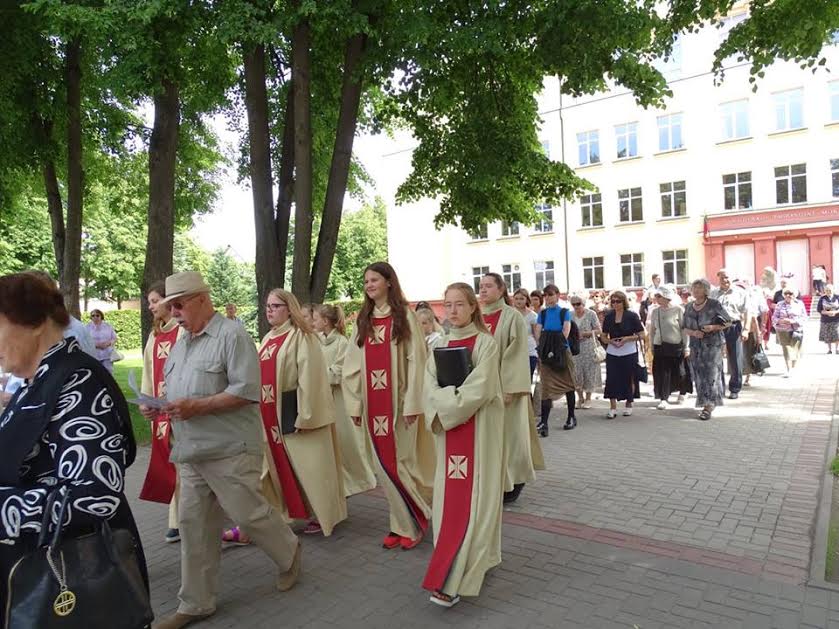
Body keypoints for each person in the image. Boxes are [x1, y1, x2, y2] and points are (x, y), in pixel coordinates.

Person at [144, 272, 301, 629]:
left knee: (249, 516)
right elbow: (178, 392)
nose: (174, 313)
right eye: (171, 307)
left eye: (179, 304)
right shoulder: (182, 342)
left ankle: (289, 552)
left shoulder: (233, 335)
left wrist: (195, 407)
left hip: (229, 448)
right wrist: (160, 406)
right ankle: (195, 604)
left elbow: (246, 391)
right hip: (190, 450)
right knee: (194, 525)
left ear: (201, 299)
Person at [0, 272, 147, 619]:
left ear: (34, 322)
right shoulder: (35, 381)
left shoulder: (79, 383)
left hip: (68, 581)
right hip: (35, 572)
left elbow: (95, 495)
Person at [421, 282, 504, 608]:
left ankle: (461, 574)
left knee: (478, 500)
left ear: (473, 307)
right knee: (450, 501)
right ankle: (468, 558)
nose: (453, 310)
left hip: (479, 433)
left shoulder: (486, 344)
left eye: (459, 304)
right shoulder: (438, 344)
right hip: (450, 436)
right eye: (448, 304)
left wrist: (447, 404)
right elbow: (427, 385)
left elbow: (480, 389)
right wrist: (447, 404)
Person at [343, 262, 434, 551]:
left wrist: (413, 404)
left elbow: (417, 361)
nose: (369, 285)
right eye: (366, 281)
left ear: (389, 283)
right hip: (372, 406)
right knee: (383, 467)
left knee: (399, 464)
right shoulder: (364, 320)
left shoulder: (403, 316)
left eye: (374, 280)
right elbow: (352, 366)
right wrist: (355, 405)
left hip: (399, 405)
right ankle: (401, 523)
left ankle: (417, 518)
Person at [246, 289, 347, 538]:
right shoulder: (269, 338)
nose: (269, 310)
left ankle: (323, 515)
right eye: (267, 305)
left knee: (310, 467)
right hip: (270, 416)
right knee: (275, 468)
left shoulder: (302, 337)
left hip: (294, 412)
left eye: (275, 306)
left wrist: (306, 414)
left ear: (289, 308)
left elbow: (311, 378)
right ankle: (280, 513)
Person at [479, 273, 540, 502]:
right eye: (480, 286)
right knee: (490, 438)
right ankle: (492, 482)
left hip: (506, 390)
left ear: (501, 288)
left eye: (488, 286)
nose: (483, 290)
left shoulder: (511, 316)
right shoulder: (476, 316)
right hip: (482, 390)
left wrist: (509, 388)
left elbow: (516, 354)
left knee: (512, 437)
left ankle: (514, 482)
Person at [314, 303, 377, 497]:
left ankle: (355, 481)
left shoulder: (341, 342)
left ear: (325, 322)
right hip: (321, 400)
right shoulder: (316, 342)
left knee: (344, 442)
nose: (313, 321)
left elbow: (340, 371)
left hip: (338, 400)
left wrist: (315, 376)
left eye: (315, 318)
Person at [139, 280, 185, 544]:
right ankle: (176, 519)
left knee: (183, 464)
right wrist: (146, 401)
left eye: (155, 301)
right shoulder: (155, 334)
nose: (151, 307)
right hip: (160, 413)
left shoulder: (182, 331)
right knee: (172, 464)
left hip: (180, 410)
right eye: (149, 302)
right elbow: (148, 371)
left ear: (169, 301)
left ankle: (182, 519)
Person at [683, 279, 732, 420]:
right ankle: (704, 401)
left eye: (700, 288)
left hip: (713, 345)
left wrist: (713, 327)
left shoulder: (714, 304)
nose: (696, 290)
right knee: (699, 375)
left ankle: (709, 406)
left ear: (706, 290)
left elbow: (728, 322)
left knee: (711, 375)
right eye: (694, 288)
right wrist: (693, 333)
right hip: (696, 346)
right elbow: (685, 328)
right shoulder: (688, 307)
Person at [535, 284, 577, 433]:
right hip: (546, 354)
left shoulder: (564, 312)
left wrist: (554, 348)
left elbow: (565, 331)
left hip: (561, 352)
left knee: (568, 385)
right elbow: (538, 333)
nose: (548, 298)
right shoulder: (543, 313)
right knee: (546, 387)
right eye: (545, 295)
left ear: (558, 296)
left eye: (550, 295)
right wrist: (543, 350)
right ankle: (544, 422)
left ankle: (571, 416)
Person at [600, 290, 644, 418]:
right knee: (612, 378)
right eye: (613, 301)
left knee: (629, 377)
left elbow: (642, 334)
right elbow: (603, 335)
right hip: (613, 351)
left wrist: (627, 339)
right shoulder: (608, 316)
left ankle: (628, 404)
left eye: (618, 301)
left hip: (629, 350)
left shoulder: (632, 316)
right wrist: (609, 341)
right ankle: (613, 408)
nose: (615, 304)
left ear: (623, 302)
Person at [646, 286, 688, 409]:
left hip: (676, 345)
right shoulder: (655, 311)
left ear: (666, 297)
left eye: (659, 296)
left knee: (680, 372)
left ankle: (683, 392)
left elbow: (684, 330)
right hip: (660, 345)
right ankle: (663, 398)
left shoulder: (679, 310)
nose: (656, 298)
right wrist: (652, 345)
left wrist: (687, 347)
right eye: (656, 296)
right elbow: (652, 330)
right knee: (662, 373)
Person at [711, 269, 751, 400]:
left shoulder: (740, 293)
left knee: (735, 358)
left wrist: (746, 329)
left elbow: (747, 312)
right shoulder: (713, 293)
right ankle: (719, 388)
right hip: (717, 328)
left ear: (731, 278)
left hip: (733, 326)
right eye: (721, 277)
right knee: (716, 358)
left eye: (727, 277)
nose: (724, 280)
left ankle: (734, 388)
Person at [569, 295, 601, 409]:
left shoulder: (591, 314)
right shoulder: (570, 315)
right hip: (575, 348)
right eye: (574, 304)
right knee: (576, 373)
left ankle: (588, 398)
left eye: (579, 304)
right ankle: (580, 397)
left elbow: (599, 330)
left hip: (589, 347)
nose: (576, 306)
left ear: (584, 303)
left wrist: (585, 334)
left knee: (589, 372)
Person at [772, 287, 808, 377]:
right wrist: (780, 321)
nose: (788, 295)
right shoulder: (780, 304)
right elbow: (774, 317)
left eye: (790, 293)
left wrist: (793, 321)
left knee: (795, 350)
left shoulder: (799, 304)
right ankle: (788, 369)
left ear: (794, 295)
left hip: (796, 330)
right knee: (786, 350)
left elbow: (804, 317)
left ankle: (793, 368)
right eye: (786, 293)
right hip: (783, 330)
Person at [513, 287, 539, 379]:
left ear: (526, 300)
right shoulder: (509, 314)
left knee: (528, 378)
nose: (518, 301)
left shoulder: (533, 315)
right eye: (516, 298)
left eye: (521, 298)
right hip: (513, 350)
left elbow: (536, 334)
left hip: (530, 349)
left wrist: (539, 350)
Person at [86, 308, 118, 372]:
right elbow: (85, 340)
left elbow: (114, 338)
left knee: (108, 373)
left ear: (101, 316)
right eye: (93, 315)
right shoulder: (87, 327)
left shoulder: (108, 326)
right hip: (93, 355)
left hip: (107, 355)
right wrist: (96, 345)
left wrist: (108, 343)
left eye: (97, 315)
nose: (95, 317)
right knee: (96, 374)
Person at [818, 284, 839, 354]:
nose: (828, 292)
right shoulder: (822, 298)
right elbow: (819, 309)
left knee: (837, 333)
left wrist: (835, 312)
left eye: (829, 290)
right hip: (825, 320)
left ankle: (837, 349)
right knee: (828, 335)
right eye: (826, 290)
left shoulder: (837, 297)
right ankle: (829, 349)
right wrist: (827, 313)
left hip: (836, 319)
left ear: (833, 290)